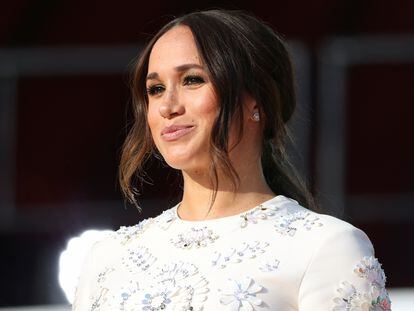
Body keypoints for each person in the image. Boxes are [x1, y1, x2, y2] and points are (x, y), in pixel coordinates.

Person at [73, 9, 391, 310]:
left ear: (258, 101)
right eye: (155, 89)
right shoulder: (108, 258)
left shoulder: (325, 249)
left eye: (192, 80)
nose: (167, 106)